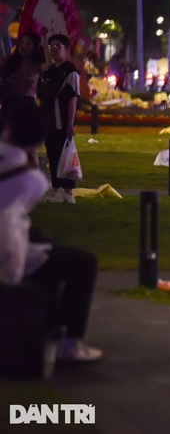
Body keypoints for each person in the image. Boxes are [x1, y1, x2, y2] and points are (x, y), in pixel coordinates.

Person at [0, 100, 102, 362]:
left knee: (48, 246)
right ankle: (69, 340)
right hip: (7, 255)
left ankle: (47, 328)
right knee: (83, 263)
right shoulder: (32, 181)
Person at [37, 34, 80, 204]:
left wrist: (70, 124)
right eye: (51, 47)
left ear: (66, 49)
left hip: (62, 121)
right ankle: (56, 189)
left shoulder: (70, 72)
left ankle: (68, 192)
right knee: (53, 155)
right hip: (49, 121)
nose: (54, 50)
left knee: (65, 156)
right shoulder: (48, 72)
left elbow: (73, 99)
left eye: (57, 46)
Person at [0, 31, 45, 115]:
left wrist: (44, 44)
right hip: (9, 103)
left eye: (28, 43)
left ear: (35, 47)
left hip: (27, 106)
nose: (23, 45)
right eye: (21, 42)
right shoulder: (10, 61)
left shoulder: (38, 65)